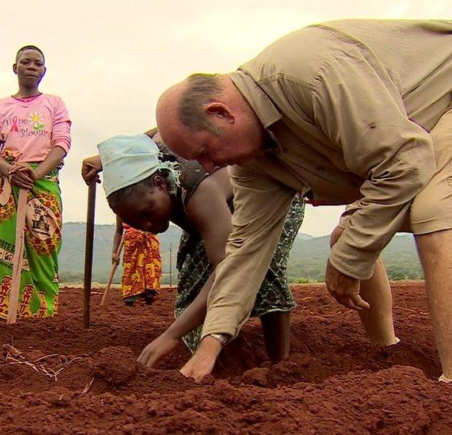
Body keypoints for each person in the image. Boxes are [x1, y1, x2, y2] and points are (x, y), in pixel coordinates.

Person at [155, 19, 452, 382]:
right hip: (415, 129)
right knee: (347, 236)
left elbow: (405, 164)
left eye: (204, 151)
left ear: (221, 113)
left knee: (433, 212)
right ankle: (386, 353)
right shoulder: (254, 163)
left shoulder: (311, 75)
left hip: (439, 107)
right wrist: (210, 343)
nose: (206, 166)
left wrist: (348, 261)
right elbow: (247, 249)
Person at [82, 131, 304, 362]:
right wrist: (107, 161)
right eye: (135, 222)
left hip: (269, 198)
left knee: (263, 269)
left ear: (160, 183)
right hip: (218, 218)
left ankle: (280, 363)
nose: (146, 225)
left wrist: (171, 335)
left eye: (146, 212)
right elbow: (155, 132)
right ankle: (226, 360)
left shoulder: (200, 194)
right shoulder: (156, 157)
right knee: (191, 294)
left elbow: (228, 269)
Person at [0, 45, 71, 319]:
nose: (31, 66)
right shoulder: (0, 106)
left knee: (45, 245)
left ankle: (44, 316)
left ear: (44, 71)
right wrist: (11, 171)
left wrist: (36, 173)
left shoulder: (55, 104)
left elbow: (62, 144)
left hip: (42, 183)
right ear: (15, 68)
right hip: (10, 183)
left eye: (37, 63)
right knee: (4, 247)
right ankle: (6, 311)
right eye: (25, 62)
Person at [113, 215, 162, 306]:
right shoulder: (121, 207)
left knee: (149, 270)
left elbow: (161, 224)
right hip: (131, 244)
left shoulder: (149, 203)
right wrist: (114, 252)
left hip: (149, 241)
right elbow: (119, 231)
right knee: (131, 269)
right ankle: (130, 297)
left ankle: (149, 296)